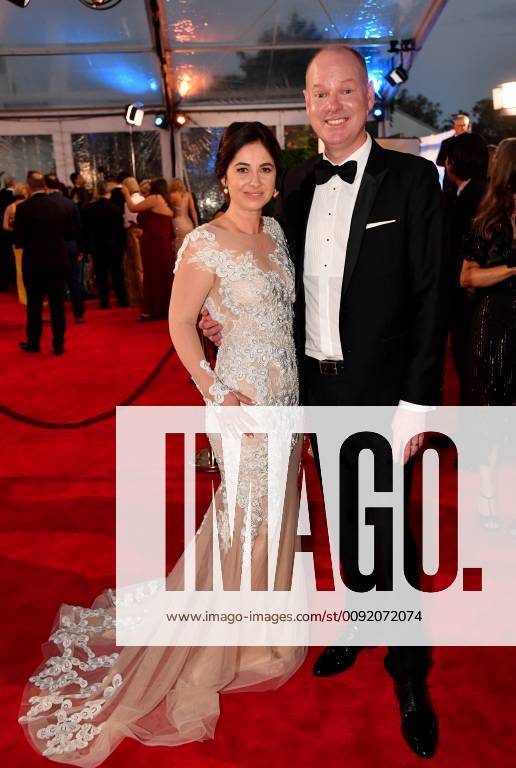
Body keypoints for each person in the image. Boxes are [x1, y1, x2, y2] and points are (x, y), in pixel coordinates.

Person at [18, 122, 306, 765]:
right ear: (223, 176)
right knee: (242, 523)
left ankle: (259, 633)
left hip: (287, 402)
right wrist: (215, 391)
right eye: (242, 170)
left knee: (272, 521)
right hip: (241, 402)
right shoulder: (206, 242)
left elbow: (275, 319)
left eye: (265, 170)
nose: (255, 182)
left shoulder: (276, 234)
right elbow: (180, 322)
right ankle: (212, 650)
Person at [201, 45, 447, 759]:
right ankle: (360, 622)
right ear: (305, 104)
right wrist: (225, 321)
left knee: (390, 534)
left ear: (368, 96)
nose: (333, 104)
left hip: (383, 394)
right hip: (314, 391)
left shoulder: (413, 181)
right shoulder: (297, 188)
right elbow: (273, 287)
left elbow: (433, 300)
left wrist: (416, 404)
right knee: (343, 521)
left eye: (346, 91)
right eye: (319, 93)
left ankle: (409, 671)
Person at [460, 138, 516, 533]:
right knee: (495, 417)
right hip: (494, 326)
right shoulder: (486, 223)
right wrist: (513, 269)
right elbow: (467, 278)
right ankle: (487, 499)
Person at [444, 133, 489, 399]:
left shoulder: (471, 198)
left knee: (469, 362)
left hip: (469, 296)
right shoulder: (472, 192)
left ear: (453, 162)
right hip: (469, 295)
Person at [14, 172, 71, 355]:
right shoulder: (60, 206)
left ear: (29, 187)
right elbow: (68, 234)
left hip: (34, 263)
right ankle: (58, 344)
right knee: (57, 305)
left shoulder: (23, 209)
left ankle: (34, 343)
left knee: (34, 305)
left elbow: (19, 241)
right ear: (45, 186)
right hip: (57, 261)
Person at [122, 178, 174, 321]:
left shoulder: (155, 198)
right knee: (164, 276)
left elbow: (133, 208)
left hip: (154, 243)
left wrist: (126, 193)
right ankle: (164, 308)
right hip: (163, 243)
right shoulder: (164, 200)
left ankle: (152, 310)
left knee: (153, 276)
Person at [45, 174, 85, 323]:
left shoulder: (44, 204)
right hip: (70, 245)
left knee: (54, 282)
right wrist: (81, 248)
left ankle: (56, 314)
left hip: (52, 247)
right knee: (74, 281)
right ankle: (79, 314)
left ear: (45, 186)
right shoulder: (70, 204)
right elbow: (79, 228)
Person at [83, 181, 128, 310]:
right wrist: (122, 245)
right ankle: (122, 300)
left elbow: (86, 230)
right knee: (117, 274)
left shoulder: (90, 208)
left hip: (97, 246)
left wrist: (88, 246)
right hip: (114, 246)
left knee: (101, 275)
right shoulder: (116, 209)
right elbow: (120, 230)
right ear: (109, 192)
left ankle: (104, 302)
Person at [3, 182, 29, 305]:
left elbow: (5, 226)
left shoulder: (10, 207)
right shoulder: (29, 205)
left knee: (20, 269)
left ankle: (23, 297)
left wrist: (16, 229)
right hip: (31, 242)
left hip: (17, 242)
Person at [121, 176, 144, 306]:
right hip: (143, 232)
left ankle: (138, 297)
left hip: (133, 233)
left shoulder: (128, 201)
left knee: (135, 266)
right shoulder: (143, 199)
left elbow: (127, 222)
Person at [436, 113, 471, 197]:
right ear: (454, 126)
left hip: (468, 182)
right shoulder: (447, 142)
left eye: (464, 125)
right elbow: (439, 161)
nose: (462, 128)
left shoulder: (473, 143)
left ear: (468, 126)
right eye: (460, 125)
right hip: (450, 184)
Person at [169, 177, 199, 251]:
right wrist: (196, 224)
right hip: (188, 223)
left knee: (179, 246)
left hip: (177, 223)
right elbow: (193, 211)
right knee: (189, 246)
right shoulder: (188, 195)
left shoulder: (171, 195)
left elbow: (169, 212)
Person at [0, 175, 16, 291]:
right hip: (15, 232)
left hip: (2, 234)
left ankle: (5, 282)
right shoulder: (16, 197)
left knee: (5, 257)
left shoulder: (0, 195)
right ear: (13, 183)